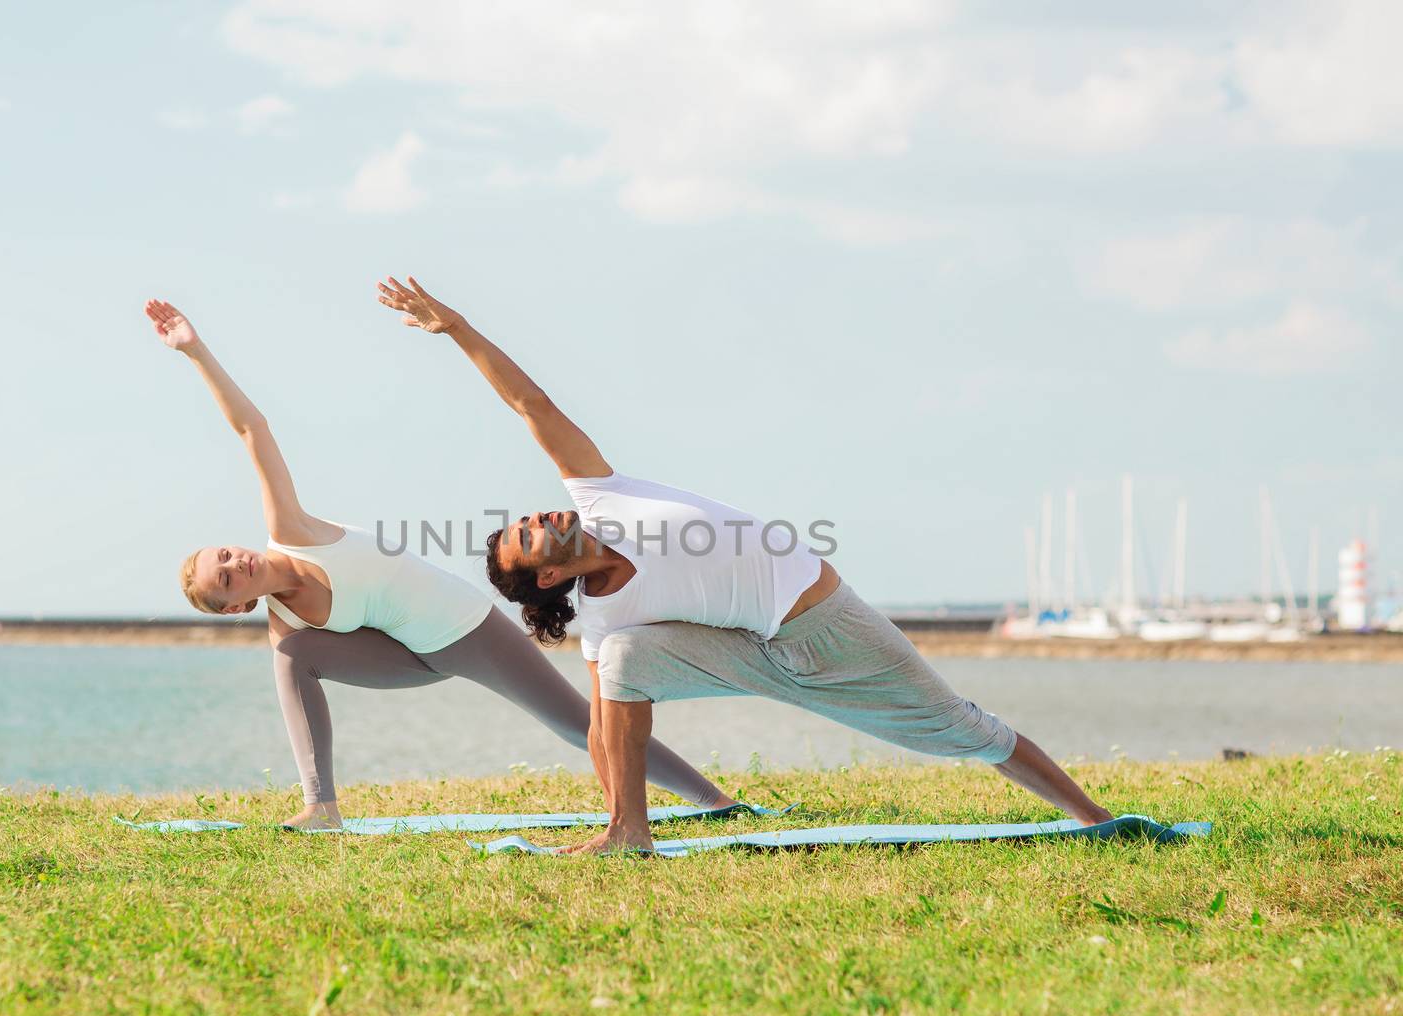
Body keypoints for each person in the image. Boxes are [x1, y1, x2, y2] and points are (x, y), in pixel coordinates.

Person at [374, 277, 1114, 854]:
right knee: (620, 661)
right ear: (545, 577)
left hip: (828, 627)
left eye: (529, 518)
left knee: (960, 727)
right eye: (528, 538)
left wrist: (458, 329)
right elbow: (606, 725)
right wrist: (612, 799)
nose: (538, 519)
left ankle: (1097, 819)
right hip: (751, 655)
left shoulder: (600, 493)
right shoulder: (604, 617)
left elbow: (529, 403)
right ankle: (629, 832)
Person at [143, 299, 731, 829]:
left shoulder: (290, 531)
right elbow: (303, 664)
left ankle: (715, 801)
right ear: (238, 604)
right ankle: (321, 807)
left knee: (579, 724)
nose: (234, 563)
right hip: (406, 659)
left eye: (223, 554)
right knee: (291, 657)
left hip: (468, 629)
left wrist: (196, 351)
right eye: (223, 579)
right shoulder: (283, 624)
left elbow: (252, 429)